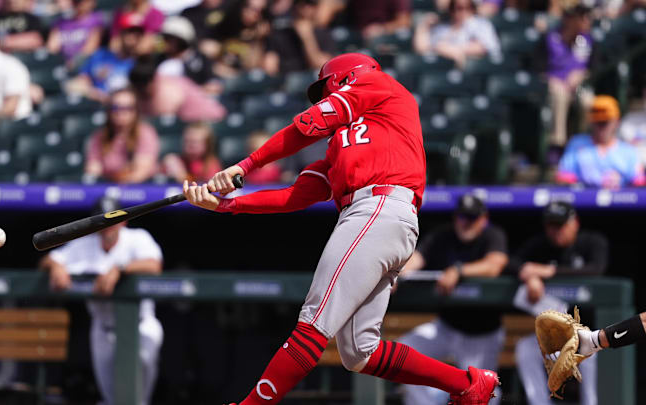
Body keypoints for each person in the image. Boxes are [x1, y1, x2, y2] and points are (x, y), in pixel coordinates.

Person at [182, 53, 500, 405]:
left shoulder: (379, 85)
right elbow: (297, 194)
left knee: (313, 323)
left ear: (344, 77)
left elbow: (305, 125)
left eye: (325, 90)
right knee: (359, 351)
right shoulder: (345, 143)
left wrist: (246, 163)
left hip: (378, 208)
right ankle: (468, 384)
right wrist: (228, 204)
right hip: (378, 216)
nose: (322, 98)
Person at [40, 196, 163, 405]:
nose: (106, 226)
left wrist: (120, 269)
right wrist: (56, 266)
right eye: (101, 221)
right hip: (102, 329)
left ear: (123, 221)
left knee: (137, 399)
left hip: (140, 328)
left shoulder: (137, 238)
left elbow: (154, 265)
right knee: (112, 399)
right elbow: (49, 259)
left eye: (112, 219)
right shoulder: (83, 245)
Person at [397, 194, 508, 405]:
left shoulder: (493, 235)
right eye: (462, 217)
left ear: (483, 219)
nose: (466, 223)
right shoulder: (443, 236)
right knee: (403, 352)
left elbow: (495, 265)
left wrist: (458, 270)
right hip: (446, 327)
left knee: (479, 393)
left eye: (472, 217)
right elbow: (417, 259)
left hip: (481, 334)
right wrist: (395, 274)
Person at [511, 201, 607, 405]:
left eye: (561, 225)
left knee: (593, 352)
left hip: (588, 334)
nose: (556, 231)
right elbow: (512, 262)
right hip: (555, 336)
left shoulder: (591, 241)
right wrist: (529, 276)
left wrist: (550, 271)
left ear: (575, 223)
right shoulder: (539, 245)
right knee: (525, 348)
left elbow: (596, 268)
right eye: (551, 225)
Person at [556, 95, 645, 188]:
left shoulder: (628, 151)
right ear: (591, 122)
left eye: (605, 122)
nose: (601, 128)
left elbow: (639, 182)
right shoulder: (577, 144)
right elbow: (563, 177)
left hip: (621, 201)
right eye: (598, 122)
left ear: (616, 122)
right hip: (583, 200)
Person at [545, 4, 594, 155]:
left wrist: (582, 74)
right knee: (560, 95)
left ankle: (582, 142)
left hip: (579, 86)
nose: (585, 21)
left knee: (588, 101)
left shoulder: (586, 40)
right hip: (554, 84)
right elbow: (537, 66)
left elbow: (595, 66)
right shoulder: (551, 38)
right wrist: (551, 79)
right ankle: (557, 145)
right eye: (581, 18)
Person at [84, 87, 160, 183]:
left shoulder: (146, 133)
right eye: (116, 108)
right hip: (107, 188)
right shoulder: (99, 136)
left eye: (127, 108)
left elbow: (141, 172)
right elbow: (93, 170)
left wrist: (115, 178)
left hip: (140, 189)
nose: (120, 112)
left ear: (135, 111)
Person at [66, 24, 142, 102]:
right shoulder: (100, 54)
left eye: (137, 35)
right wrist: (96, 94)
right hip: (93, 102)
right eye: (129, 33)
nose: (133, 38)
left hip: (120, 106)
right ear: (121, 34)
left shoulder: (139, 64)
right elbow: (83, 78)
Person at [413, 0, 501, 68]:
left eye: (467, 7)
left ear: (473, 8)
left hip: (475, 71)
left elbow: (483, 48)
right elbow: (423, 49)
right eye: (455, 7)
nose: (460, 12)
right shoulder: (443, 27)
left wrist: (453, 49)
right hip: (443, 71)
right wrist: (423, 28)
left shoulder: (480, 24)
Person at [262, 0, 336, 75]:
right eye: (301, 4)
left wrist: (307, 37)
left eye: (311, 5)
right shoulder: (280, 34)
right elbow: (270, 68)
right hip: (285, 79)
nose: (305, 9)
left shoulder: (324, 34)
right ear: (294, 7)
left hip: (312, 79)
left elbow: (322, 66)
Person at [47, 0, 104, 70]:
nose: (77, 5)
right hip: (63, 64)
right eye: (75, 2)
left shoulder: (95, 20)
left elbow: (90, 48)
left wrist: (73, 62)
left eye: (81, 2)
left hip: (87, 66)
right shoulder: (61, 22)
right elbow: (52, 47)